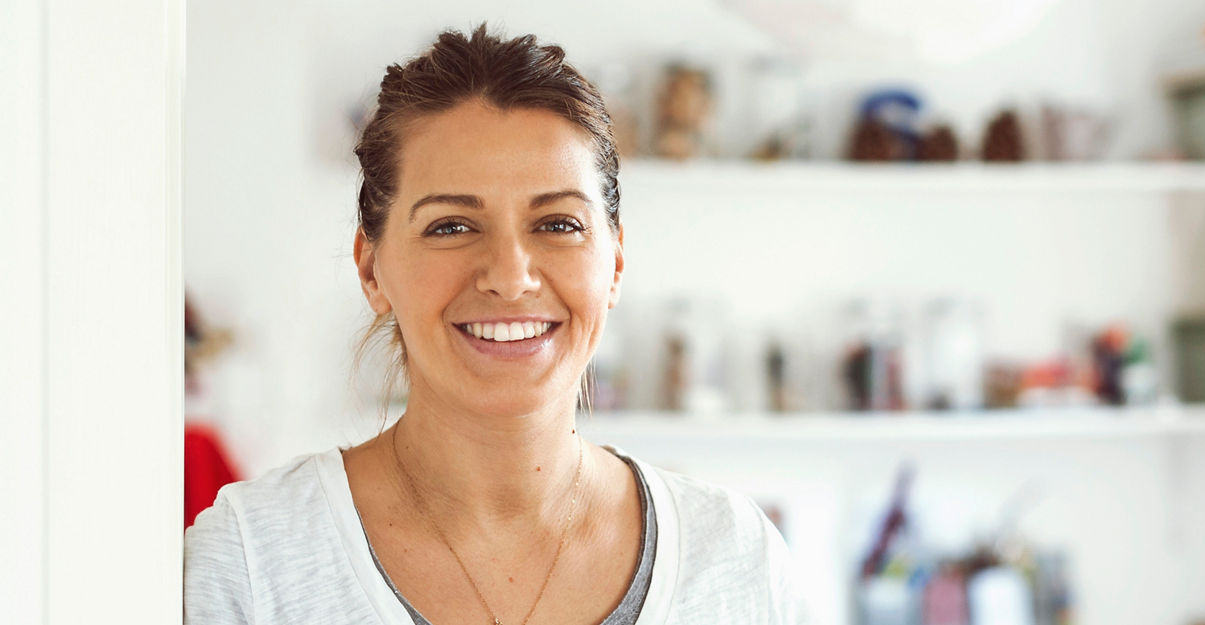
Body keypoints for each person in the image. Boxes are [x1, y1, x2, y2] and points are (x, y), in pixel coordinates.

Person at [184, 24, 805, 625]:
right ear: (372, 269)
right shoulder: (249, 560)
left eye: (558, 224)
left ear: (613, 264)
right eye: (451, 226)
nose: (510, 277)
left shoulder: (734, 555)